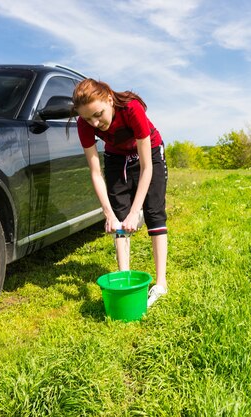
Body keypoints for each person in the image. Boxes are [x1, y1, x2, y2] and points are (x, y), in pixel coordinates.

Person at [73, 79, 168, 307]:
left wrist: (136, 212)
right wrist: (110, 215)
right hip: (116, 157)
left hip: (149, 152)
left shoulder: (131, 108)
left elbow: (146, 167)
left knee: (154, 211)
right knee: (119, 214)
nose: (95, 123)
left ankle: (161, 283)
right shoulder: (84, 124)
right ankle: (125, 278)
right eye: (88, 118)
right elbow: (96, 173)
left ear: (108, 99)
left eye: (98, 114)